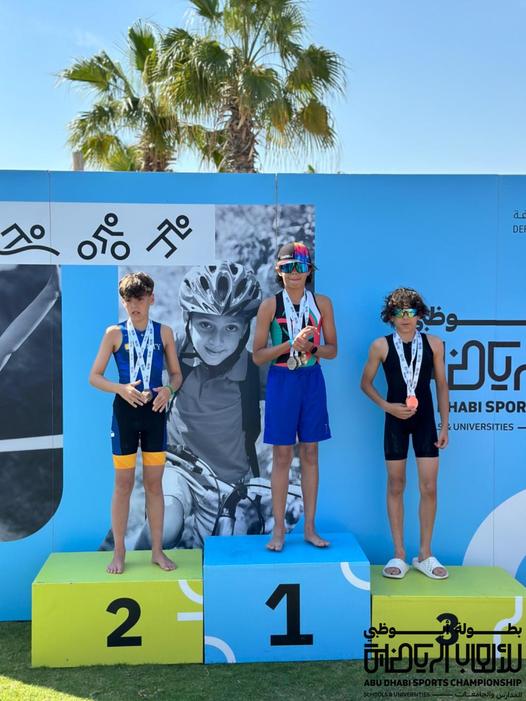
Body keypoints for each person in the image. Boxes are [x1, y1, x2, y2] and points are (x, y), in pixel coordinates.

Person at [135, 261, 264, 548]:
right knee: (163, 528)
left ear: (245, 330)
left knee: (225, 553)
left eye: (231, 327)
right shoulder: (173, 352)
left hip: (231, 482)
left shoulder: (254, 370)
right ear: (188, 319)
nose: (217, 341)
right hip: (178, 466)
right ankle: (130, 565)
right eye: (206, 325)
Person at [89, 272, 182, 574]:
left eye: (139, 299)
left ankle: (157, 551)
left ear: (151, 299)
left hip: (155, 414)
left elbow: (177, 375)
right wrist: (121, 388)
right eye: (128, 300)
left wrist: (168, 390)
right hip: (125, 415)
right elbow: (94, 377)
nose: (134, 306)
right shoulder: (114, 334)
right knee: (123, 485)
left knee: (154, 485)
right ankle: (119, 553)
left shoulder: (164, 333)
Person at [253, 241, 337, 552]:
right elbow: (257, 356)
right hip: (282, 379)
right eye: (287, 267)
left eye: (300, 267)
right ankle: (278, 530)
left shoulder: (322, 303)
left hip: (311, 379)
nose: (294, 273)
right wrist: (290, 345)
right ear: (279, 271)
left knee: (311, 453)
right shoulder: (269, 306)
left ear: (309, 270)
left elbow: (332, 350)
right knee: (282, 456)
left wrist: (311, 348)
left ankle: (310, 529)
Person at [360, 287, 449, 580]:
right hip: (395, 421)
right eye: (399, 313)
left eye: (410, 312)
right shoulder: (380, 346)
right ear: (391, 317)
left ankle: (425, 554)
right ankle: (399, 554)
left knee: (429, 487)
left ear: (419, 315)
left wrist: (445, 424)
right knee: (396, 485)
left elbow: (442, 385)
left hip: (425, 422)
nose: (405, 318)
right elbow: (365, 383)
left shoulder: (434, 344)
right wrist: (387, 406)